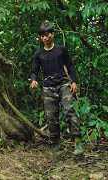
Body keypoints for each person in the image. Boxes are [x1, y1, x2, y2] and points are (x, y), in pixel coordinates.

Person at [30, 22, 84, 155]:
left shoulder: (61, 50)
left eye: (47, 34)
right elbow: (34, 71)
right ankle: (55, 141)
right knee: (51, 116)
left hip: (64, 84)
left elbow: (71, 66)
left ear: (52, 34)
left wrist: (74, 82)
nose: (44, 38)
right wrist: (34, 80)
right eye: (42, 36)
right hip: (48, 86)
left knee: (69, 110)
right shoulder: (39, 54)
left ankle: (78, 142)